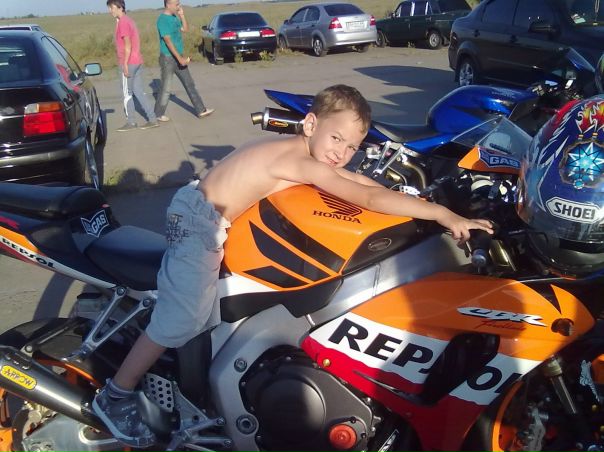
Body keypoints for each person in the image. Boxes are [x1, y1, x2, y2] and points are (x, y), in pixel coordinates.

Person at [92, 84, 492, 447]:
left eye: (352, 146)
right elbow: (366, 199)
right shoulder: (299, 161)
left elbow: (363, 185)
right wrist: (442, 215)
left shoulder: (304, 151)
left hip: (207, 209)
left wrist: (420, 202)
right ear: (311, 124)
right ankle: (117, 394)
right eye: (336, 138)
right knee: (182, 316)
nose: (342, 152)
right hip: (199, 221)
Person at [154, 0, 214, 122]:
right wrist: (180, 59)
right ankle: (158, 114)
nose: (178, 6)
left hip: (179, 56)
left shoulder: (174, 17)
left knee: (189, 83)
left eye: (179, 3)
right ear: (168, 4)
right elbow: (168, 42)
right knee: (166, 88)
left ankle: (201, 110)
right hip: (168, 58)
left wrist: (182, 15)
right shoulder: (162, 20)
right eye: (176, 4)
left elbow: (185, 29)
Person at [107, 0, 159, 132]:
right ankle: (152, 119)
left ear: (120, 7)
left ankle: (131, 122)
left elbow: (127, 44)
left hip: (128, 63)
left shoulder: (123, 22)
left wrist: (124, 64)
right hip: (137, 61)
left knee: (127, 94)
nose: (110, 10)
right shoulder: (127, 20)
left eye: (112, 7)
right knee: (139, 92)